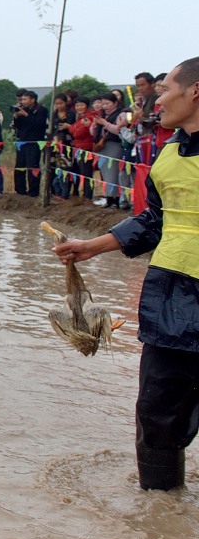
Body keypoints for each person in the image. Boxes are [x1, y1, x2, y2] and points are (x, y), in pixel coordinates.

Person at [52, 56, 199, 491]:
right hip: (172, 299)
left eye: (166, 90)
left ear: (195, 92)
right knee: (156, 415)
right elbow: (156, 219)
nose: (158, 102)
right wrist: (93, 247)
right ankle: (160, 514)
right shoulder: (169, 154)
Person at [91, 92, 129, 208]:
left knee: (113, 172)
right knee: (105, 173)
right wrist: (95, 125)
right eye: (103, 104)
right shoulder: (101, 115)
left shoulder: (121, 114)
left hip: (114, 145)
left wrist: (105, 123)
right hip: (102, 146)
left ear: (115, 103)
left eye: (107, 103)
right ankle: (108, 197)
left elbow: (118, 131)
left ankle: (116, 199)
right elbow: (92, 133)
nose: (105, 106)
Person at [11, 90, 49, 197]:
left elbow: (38, 124)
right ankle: (20, 190)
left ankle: (33, 191)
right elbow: (18, 126)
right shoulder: (23, 109)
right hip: (22, 141)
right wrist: (17, 116)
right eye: (22, 99)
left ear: (33, 100)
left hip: (34, 141)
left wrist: (26, 115)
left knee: (32, 166)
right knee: (19, 166)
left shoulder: (41, 110)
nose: (22, 101)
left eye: (25, 99)